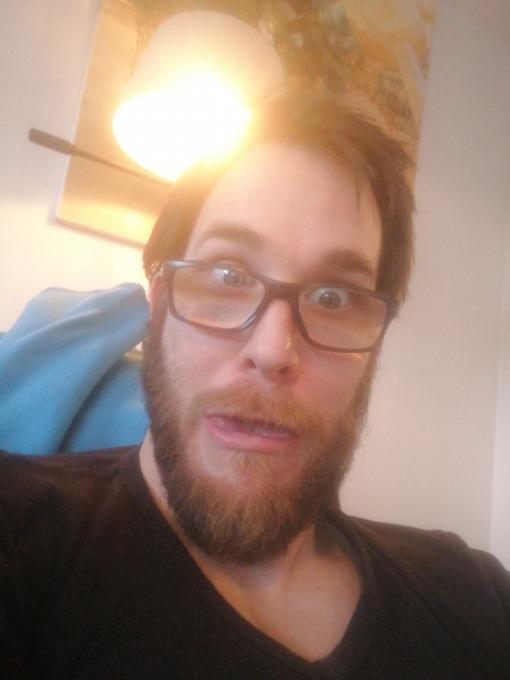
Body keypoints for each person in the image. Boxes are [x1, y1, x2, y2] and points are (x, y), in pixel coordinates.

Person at [1, 92, 509, 679]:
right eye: (228, 274)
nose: (272, 352)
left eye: (333, 297)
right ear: (159, 305)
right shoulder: (19, 537)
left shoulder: (472, 594)